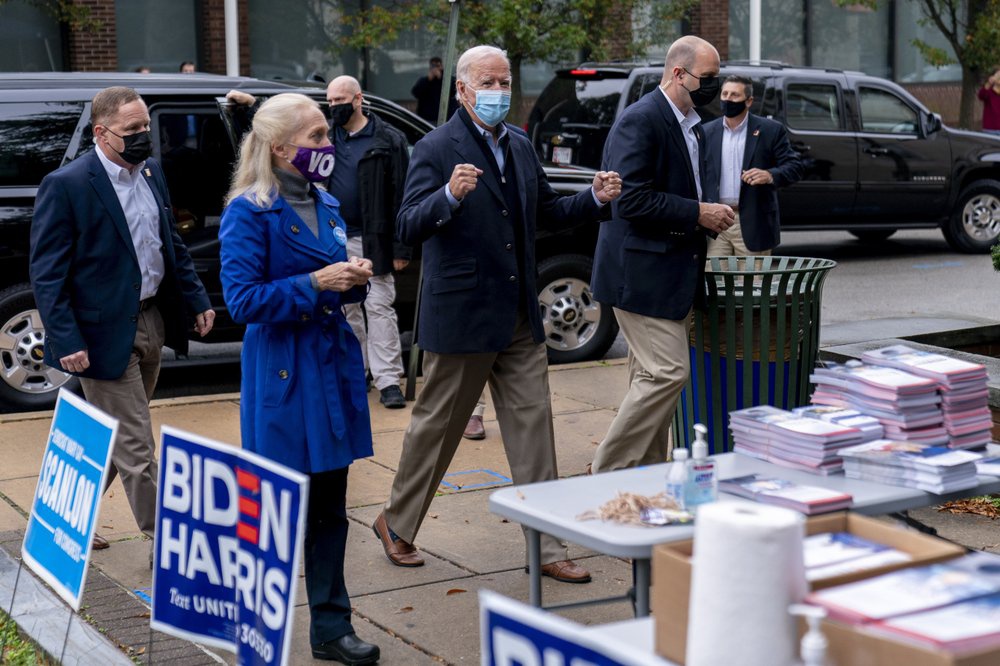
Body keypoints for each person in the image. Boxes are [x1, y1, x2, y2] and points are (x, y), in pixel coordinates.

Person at [373, 45, 622, 584]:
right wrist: (448, 195)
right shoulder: (436, 147)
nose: (499, 91)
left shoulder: (520, 144)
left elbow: (548, 211)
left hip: (518, 316)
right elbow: (408, 224)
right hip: (463, 314)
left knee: (535, 433)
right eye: (488, 82)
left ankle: (548, 544)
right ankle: (396, 522)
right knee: (437, 428)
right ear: (463, 89)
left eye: (504, 81)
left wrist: (595, 199)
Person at [218, 93, 380, 665]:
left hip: (330, 369)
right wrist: (315, 283)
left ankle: (332, 629)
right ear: (280, 148)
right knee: (276, 510)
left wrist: (354, 278)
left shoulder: (327, 202)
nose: (327, 144)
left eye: (326, 134)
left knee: (330, 508)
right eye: (316, 137)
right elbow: (241, 301)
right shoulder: (248, 211)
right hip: (284, 376)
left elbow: (336, 281)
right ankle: (250, 623)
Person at [29, 86, 215, 556]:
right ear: (101, 132)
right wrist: (66, 337)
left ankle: (60, 516)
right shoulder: (68, 184)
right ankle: (168, 545)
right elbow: (47, 274)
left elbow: (169, 242)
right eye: (132, 129)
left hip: (151, 320)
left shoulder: (151, 171)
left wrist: (197, 299)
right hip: (98, 335)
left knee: (110, 435)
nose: (143, 136)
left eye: (145, 126)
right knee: (136, 444)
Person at [589, 36, 734, 474]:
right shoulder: (641, 120)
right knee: (667, 373)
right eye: (708, 77)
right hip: (640, 274)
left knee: (648, 379)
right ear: (678, 73)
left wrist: (706, 213)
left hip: (671, 273)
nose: (714, 86)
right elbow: (629, 200)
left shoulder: (692, 124)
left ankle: (645, 476)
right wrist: (698, 212)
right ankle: (607, 470)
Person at [326, 75, 411, 409]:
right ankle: (356, 371)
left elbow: (403, 194)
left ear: (358, 99)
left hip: (374, 238)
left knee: (378, 307)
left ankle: (388, 380)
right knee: (346, 309)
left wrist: (401, 247)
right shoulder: (326, 137)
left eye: (339, 100)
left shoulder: (388, 139)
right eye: (330, 101)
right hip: (335, 238)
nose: (334, 106)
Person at [703, 75, 802, 256]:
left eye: (734, 95)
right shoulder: (707, 131)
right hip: (716, 222)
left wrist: (770, 175)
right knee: (714, 275)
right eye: (724, 94)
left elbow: (794, 167)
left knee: (753, 275)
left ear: (749, 101)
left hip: (753, 222)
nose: (728, 99)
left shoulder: (770, 130)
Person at [411, 56, 457, 124]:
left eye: (437, 66)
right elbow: (415, 92)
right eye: (433, 66)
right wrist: (428, 80)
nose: (435, 69)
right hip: (428, 117)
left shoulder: (448, 79)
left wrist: (441, 78)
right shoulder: (425, 80)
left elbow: (453, 91)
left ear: (441, 66)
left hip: (446, 117)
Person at [979, 69, 1000, 136]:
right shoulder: (989, 91)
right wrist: (989, 83)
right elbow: (981, 95)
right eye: (998, 75)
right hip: (990, 130)